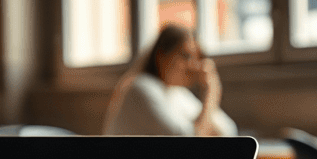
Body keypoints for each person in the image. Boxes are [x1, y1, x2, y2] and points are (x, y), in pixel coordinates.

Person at [102, 24, 237, 136]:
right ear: (161, 56)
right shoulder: (140, 87)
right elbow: (189, 141)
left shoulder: (177, 93)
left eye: (197, 58)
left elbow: (227, 131)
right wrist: (210, 94)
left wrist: (211, 93)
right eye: (185, 56)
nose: (193, 65)